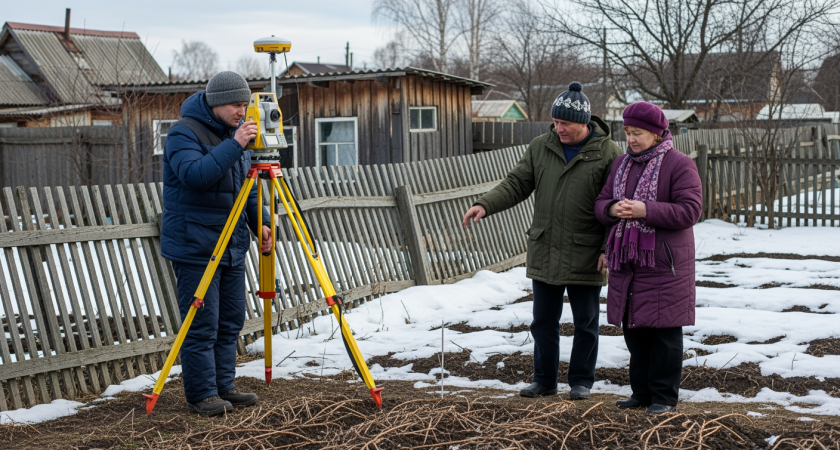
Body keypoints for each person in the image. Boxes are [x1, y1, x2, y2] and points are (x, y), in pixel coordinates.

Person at [463, 82, 621, 400]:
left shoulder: (608, 152)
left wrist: (607, 247)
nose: (558, 128)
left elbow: (615, 205)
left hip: (587, 251)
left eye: (565, 123)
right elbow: (517, 182)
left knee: (586, 322)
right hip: (546, 247)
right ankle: (544, 380)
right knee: (543, 321)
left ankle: (581, 381)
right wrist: (485, 204)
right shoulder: (540, 146)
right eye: (556, 122)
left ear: (584, 123)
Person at [161, 71, 273, 416]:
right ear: (218, 102)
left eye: (246, 104)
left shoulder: (232, 136)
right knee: (201, 324)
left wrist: (262, 223)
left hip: (231, 245)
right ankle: (202, 394)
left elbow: (247, 188)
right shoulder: (184, 132)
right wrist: (235, 144)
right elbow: (195, 176)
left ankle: (224, 387)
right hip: (196, 245)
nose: (244, 111)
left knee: (230, 321)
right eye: (238, 105)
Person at [594, 101, 702, 414]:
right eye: (627, 132)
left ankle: (664, 397)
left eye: (638, 132)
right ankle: (640, 393)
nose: (631, 139)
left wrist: (646, 210)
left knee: (665, 334)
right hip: (629, 262)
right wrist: (612, 209)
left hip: (665, 264)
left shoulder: (679, 164)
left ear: (656, 134)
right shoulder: (621, 164)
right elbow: (601, 202)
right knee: (635, 331)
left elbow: (690, 210)